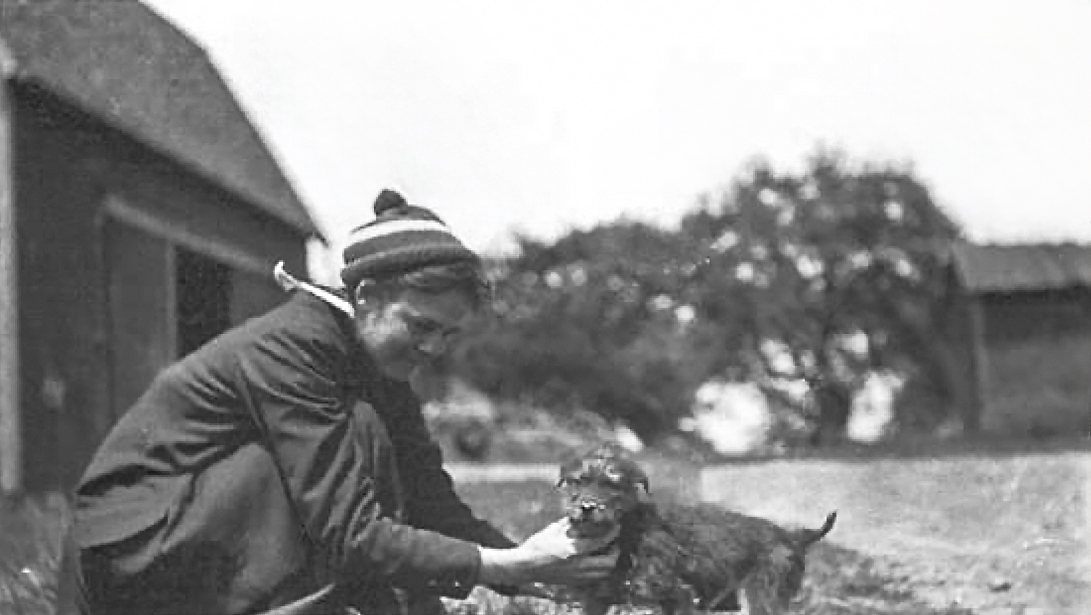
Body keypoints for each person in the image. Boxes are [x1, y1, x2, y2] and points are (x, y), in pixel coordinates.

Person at [60, 189, 619, 615]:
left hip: (188, 546)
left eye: (448, 336)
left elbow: (433, 506)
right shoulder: (295, 348)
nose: (432, 347)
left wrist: (542, 569)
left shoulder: (379, 363)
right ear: (366, 296)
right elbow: (351, 534)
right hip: (130, 561)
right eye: (420, 325)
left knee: (371, 441)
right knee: (361, 436)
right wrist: (511, 565)